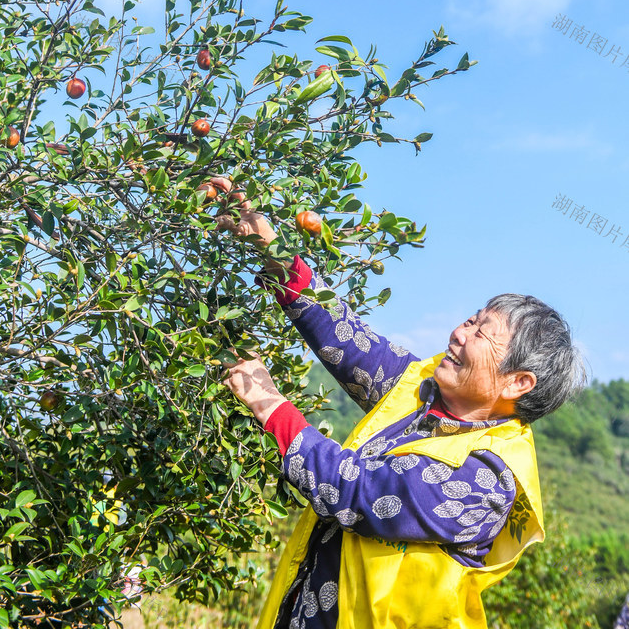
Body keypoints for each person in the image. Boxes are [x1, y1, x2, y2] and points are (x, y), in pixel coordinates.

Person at [213, 178, 587, 629]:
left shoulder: (487, 478)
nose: (459, 332)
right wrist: (268, 244)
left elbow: (359, 491)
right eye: (471, 318)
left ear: (517, 383)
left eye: (481, 333)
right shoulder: (420, 391)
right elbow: (342, 335)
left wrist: (269, 402)